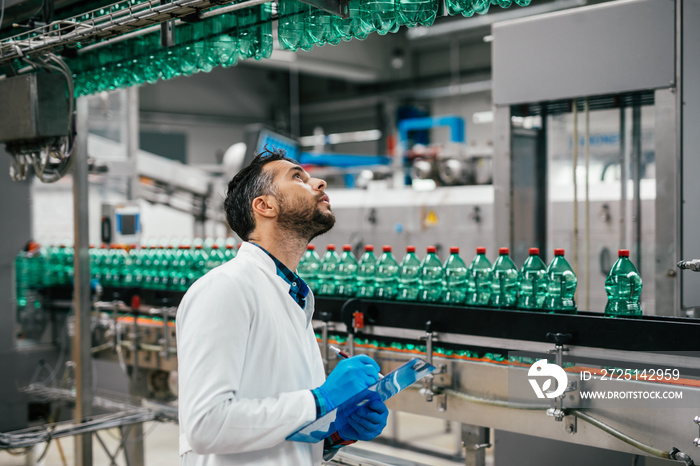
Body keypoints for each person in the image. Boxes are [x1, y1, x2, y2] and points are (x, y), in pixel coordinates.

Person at [177, 149, 388, 465]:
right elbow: (206, 425)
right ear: (265, 206)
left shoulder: (294, 296)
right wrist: (321, 400)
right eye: (298, 177)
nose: (318, 183)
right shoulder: (225, 288)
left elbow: (278, 433)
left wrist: (334, 433)